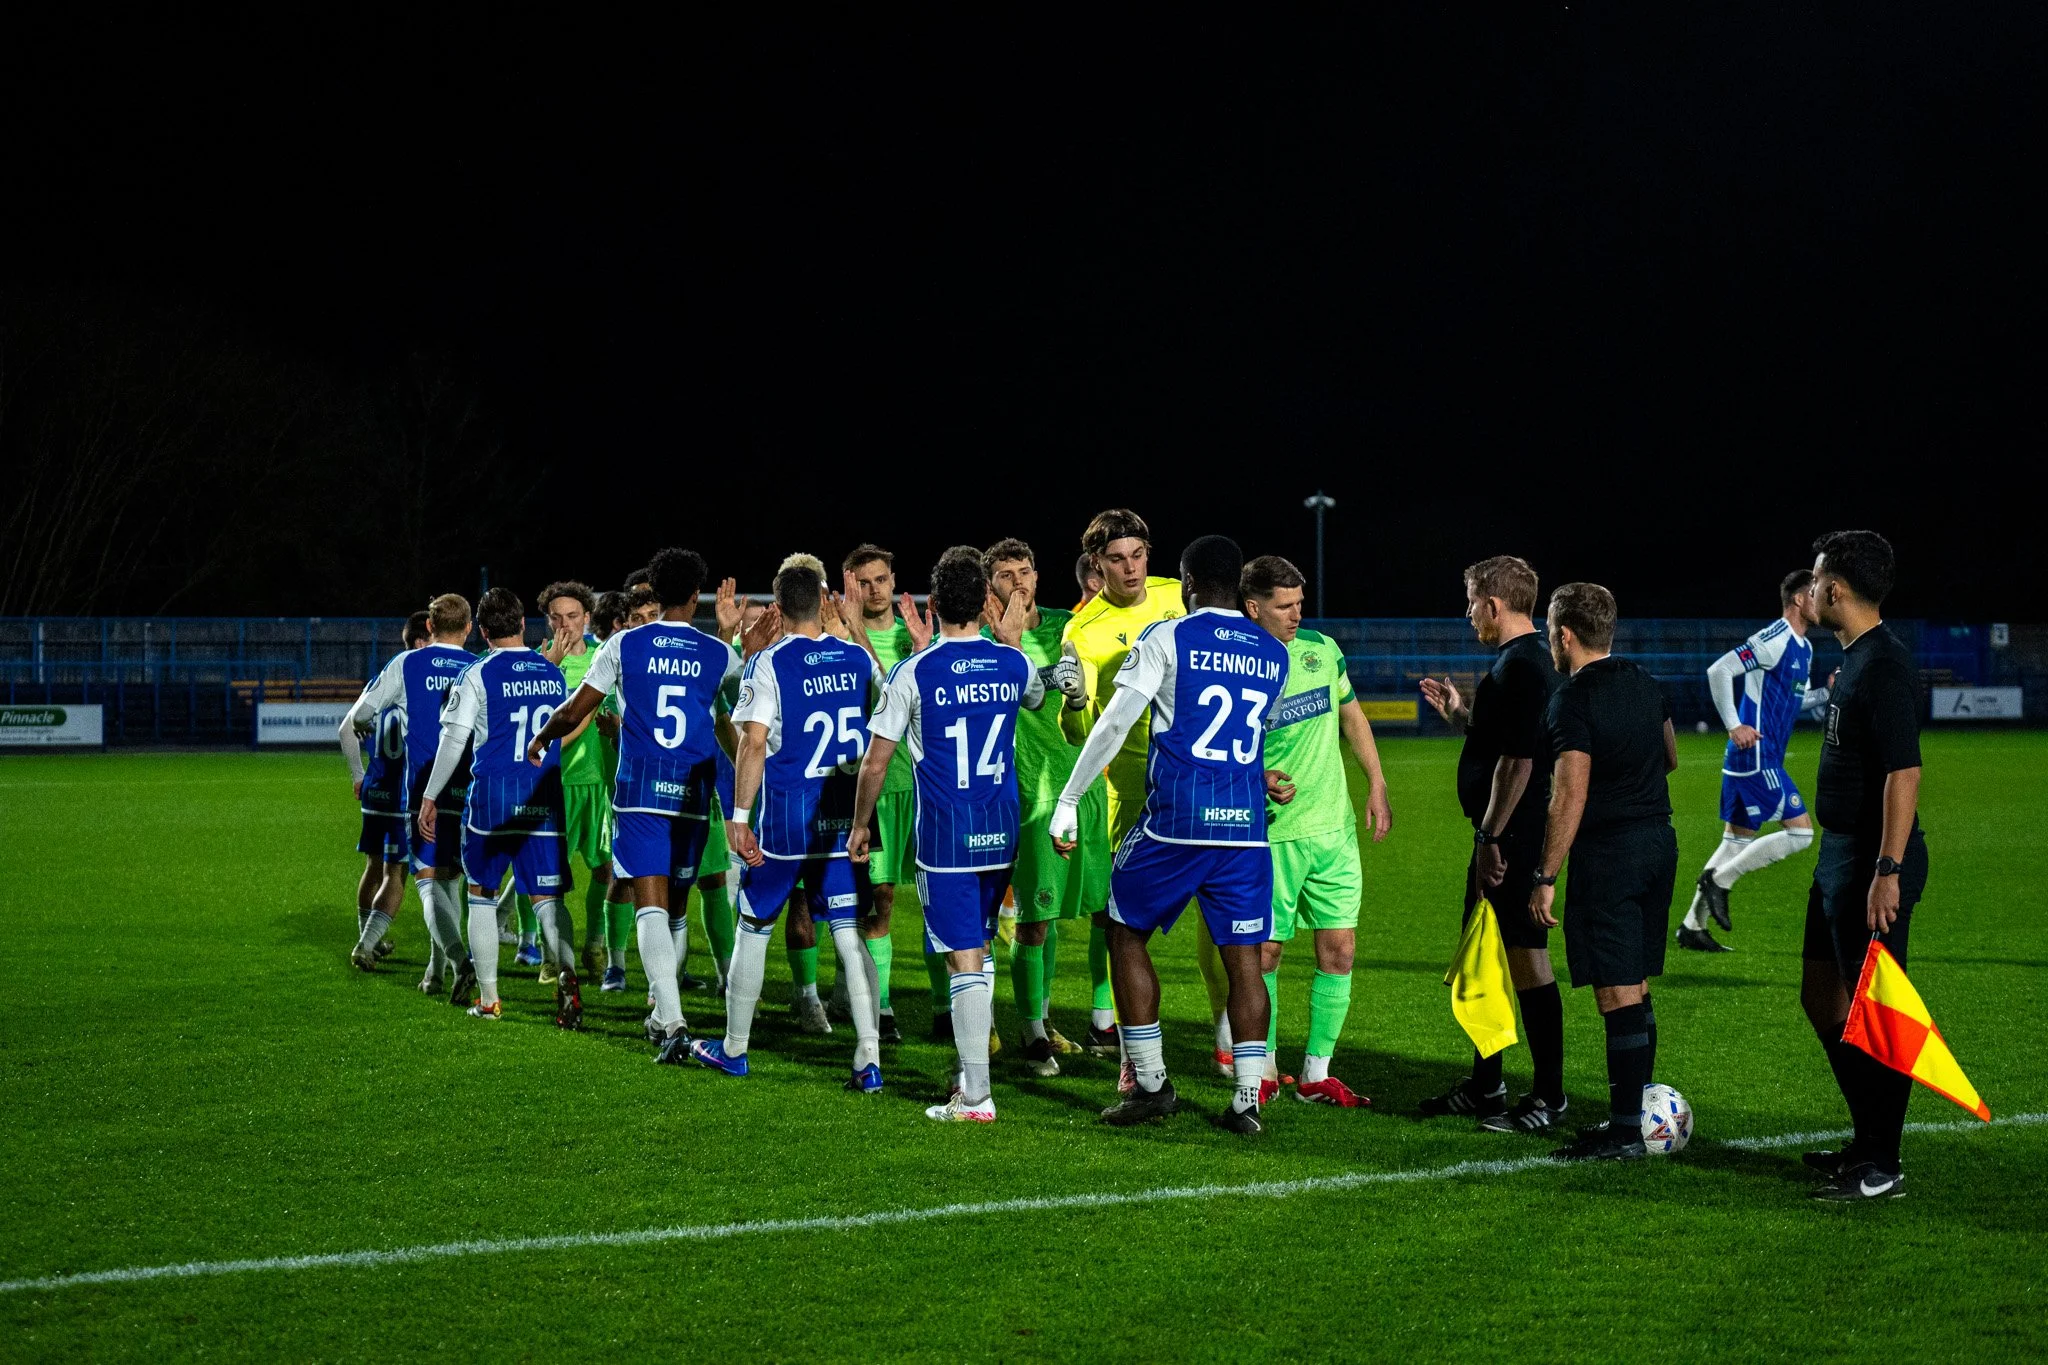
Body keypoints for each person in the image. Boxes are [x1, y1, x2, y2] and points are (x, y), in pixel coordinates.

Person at [1051, 535, 1288, 1134]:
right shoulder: (1273, 653)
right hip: (1245, 831)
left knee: (1123, 930)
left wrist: (1069, 798)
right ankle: (1247, 1101)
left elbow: (1113, 724)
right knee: (1244, 962)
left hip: (1177, 822)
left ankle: (1151, 1085)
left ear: (1186, 584)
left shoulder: (1167, 637)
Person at [524, 548, 747, 1060]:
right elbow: (737, 716)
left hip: (641, 791)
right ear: (696, 595)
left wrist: (542, 736)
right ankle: (664, 1015)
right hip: (692, 795)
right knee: (676, 908)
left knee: (649, 902)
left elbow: (575, 709)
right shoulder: (719, 654)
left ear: (655, 592)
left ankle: (671, 1020)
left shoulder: (623, 644)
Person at [850, 547, 1043, 1122]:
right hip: (1000, 830)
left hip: (946, 837)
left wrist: (860, 824)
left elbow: (875, 762)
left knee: (963, 958)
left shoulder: (915, 671)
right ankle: (966, 1069)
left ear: (932, 605)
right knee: (978, 947)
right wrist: (1010, 641)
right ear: (985, 603)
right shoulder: (1012, 663)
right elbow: (1039, 694)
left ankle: (977, 1097)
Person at [691, 561, 884, 1090]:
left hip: (786, 819)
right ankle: (868, 1058)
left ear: (777, 608)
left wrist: (739, 817)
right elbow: (890, 703)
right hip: (842, 814)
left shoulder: (769, 663)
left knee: (754, 925)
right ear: (824, 601)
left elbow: (752, 742)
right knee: (848, 934)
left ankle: (734, 1048)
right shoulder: (856, 657)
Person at [1528, 583, 1680, 1162]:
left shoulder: (1572, 699)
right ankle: (1635, 1115)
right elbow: (1669, 756)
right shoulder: (1646, 682)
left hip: (1610, 855)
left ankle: (1623, 1133)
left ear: (1565, 635)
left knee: (1616, 992)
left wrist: (1545, 876)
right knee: (1634, 984)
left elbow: (1569, 793)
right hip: (1658, 843)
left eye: (1550, 631)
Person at [1050, 509, 1208, 1065]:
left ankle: (1232, 1050)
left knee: (1224, 920)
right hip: (1132, 792)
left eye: (1138, 555)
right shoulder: (1083, 630)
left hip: (1195, 779)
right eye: (1117, 559)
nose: (1131, 568)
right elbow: (1081, 732)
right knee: (1119, 920)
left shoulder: (1176, 595)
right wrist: (1073, 701)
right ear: (1097, 564)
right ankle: (1121, 1042)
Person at [1417, 557, 1569, 1132]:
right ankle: (1487, 1086)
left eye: (1471, 602)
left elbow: (1519, 761)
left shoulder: (1523, 667)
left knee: (1526, 959)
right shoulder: (1523, 661)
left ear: (1493, 604)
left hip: (1513, 838)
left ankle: (1550, 1096)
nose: (1468, 613)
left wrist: (1490, 836)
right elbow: (1502, 741)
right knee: (1484, 958)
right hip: (1505, 833)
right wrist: (1462, 716)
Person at [1798, 530, 1927, 1202]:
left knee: (1875, 1011)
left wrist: (1888, 868)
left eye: (1816, 578)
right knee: (1821, 994)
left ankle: (1883, 1162)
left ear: (1837, 589)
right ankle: (1866, 1136)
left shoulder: (1884, 665)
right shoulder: (1855, 660)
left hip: (1871, 861)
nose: (1810, 588)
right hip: (1839, 854)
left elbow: (1905, 772)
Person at [1241, 556, 1393, 1107]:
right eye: (1284, 606)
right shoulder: (1239, 664)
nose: (1296, 614)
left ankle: (1315, 1074)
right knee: (1265, 955)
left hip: (1334, 830)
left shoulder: (1322, 650)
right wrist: (1256, 777)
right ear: (1253, 607)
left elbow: (1352, 715)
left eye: (1300, 603)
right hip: (1272, 834)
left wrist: (1376, 781)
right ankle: (1262, 1068)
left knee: (1340, 952)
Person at [416, 588, 581, 1025]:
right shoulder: (552, 674)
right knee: (548, 899)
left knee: (482, 895)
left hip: (494, 796)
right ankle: (567, 975)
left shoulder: (477, 673)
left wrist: (430, 796)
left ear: (483, 632)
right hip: (543, 796)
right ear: (523, 623)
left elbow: (454, 739)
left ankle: (489, 1000)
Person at [984, 538, 1102, 1075]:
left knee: (1064, 917)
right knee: (1030, 918)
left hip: (1080, 789)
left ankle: (1047, 1019)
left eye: (1025, 571)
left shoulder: (1068, 627)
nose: (1019, 582)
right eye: (1006, 575)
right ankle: (1027, 1031)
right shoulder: (982, 640)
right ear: (990, 585)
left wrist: (1078, 695)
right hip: (1024, 794)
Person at [1678, 570, 1832, 951]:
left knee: (1732, 844)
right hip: (1757, 759)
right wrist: (1734, 725)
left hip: (1755, 760)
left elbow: (1793, 702)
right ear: (1798, 599)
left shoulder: (1804, 648)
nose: (1821, 601)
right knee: (1801, 834)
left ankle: (1692, 927)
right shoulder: (1774, 638)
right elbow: (1719, 669)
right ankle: (1720, 882)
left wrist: (1826, 694)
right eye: (1814, 593)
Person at [342, 596, 477, 995]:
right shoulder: (477, 666)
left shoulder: (407, 663)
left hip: (422, 793)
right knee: (450, 882)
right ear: (468, 628)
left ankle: (457, 961)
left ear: (430, 627)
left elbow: (359, 715)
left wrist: (365, 725)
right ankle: (435, 973)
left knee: (428, 881)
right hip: (466, 790)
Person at [836, 544, 925, 1044]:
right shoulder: (836, 637)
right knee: (877, 899)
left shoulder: (916, 635)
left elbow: (900, 690)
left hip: (921, 785)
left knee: (933, 899)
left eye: (881, 580)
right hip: (871, 787)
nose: (874, 591)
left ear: (893, 580)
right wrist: (850, 631)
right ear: (849, 585)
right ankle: (880, 1006)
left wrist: (866, 636)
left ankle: (944, 1007)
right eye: (863, 583)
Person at [338, 612, 429, 973]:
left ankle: (370, 938)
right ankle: (365, 945)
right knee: (396, 873)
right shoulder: (420, 685)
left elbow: (346, 728)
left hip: (374, 790)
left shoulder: (381, 682)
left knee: (373, 867)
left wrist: (358, 776)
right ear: (421, 642)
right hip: (401, 794)